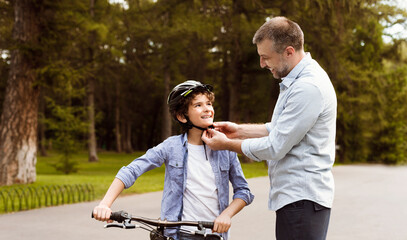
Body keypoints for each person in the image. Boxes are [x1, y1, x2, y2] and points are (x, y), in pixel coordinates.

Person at [201, 16, 337, 240]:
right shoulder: (299, 80)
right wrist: (238, 130)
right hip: (298, 201)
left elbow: (276, 147)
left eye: (266, 57)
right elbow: (282, 129)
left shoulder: (307, 88)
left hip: (302, 201)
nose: (262, 64)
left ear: (289, 51)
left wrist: (226, 144)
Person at [93, 80, 254, 240]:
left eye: (209, 103)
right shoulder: (171, 147)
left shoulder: (225, 148)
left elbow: (244, 191)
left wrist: (226, 215)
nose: (207, 109)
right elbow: (132, 170)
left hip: (214, 234)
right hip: (178, 235)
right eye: (198, 105)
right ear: (181, 116)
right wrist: (105, 204)